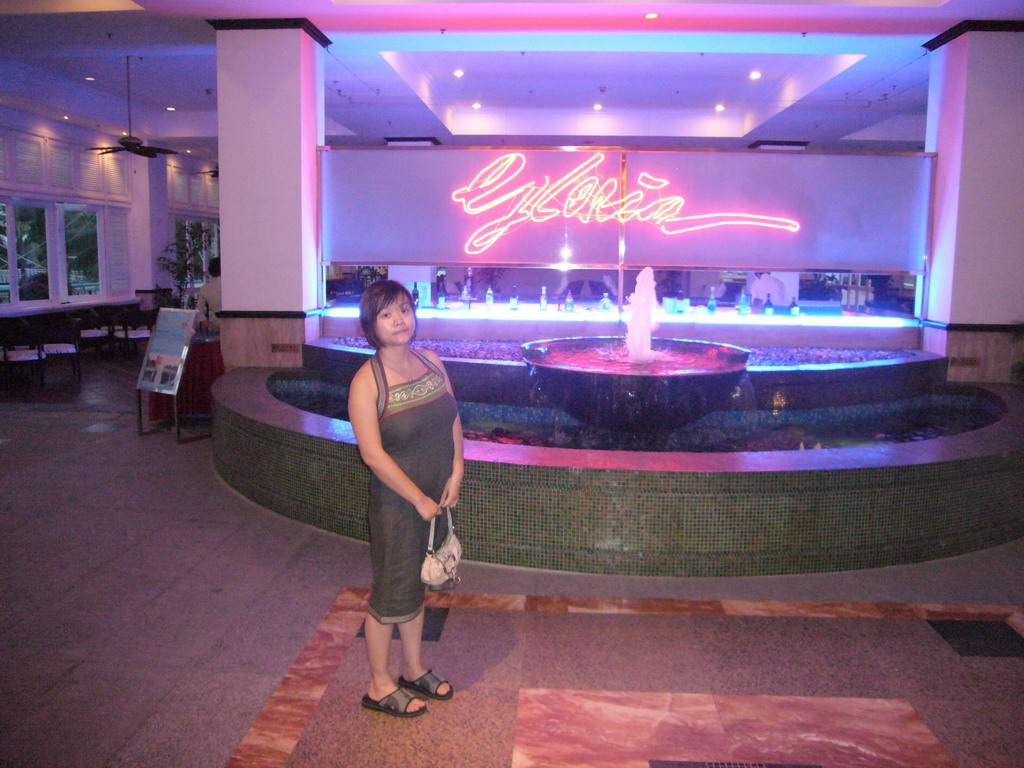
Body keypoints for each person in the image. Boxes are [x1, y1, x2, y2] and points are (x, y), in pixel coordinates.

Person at [347, 279, 464, 719]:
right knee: (390, 594)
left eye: (405, 310)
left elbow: (453, 417)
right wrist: (417, 498)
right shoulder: (367, 382)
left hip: (436, 496)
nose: (400, 320)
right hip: (399, 505)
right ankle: (379, 685)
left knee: (416, 585)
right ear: (371, 324)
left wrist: (457, 471)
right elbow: (372, 455)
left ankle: (413, 668)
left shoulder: (431, 362)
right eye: (387, 314)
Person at [195, 257, 222, 331]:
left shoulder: (205, 288)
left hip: (216, 325)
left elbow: (198, 313)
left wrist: (214, 328)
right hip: (236, 326)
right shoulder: (234, 285)